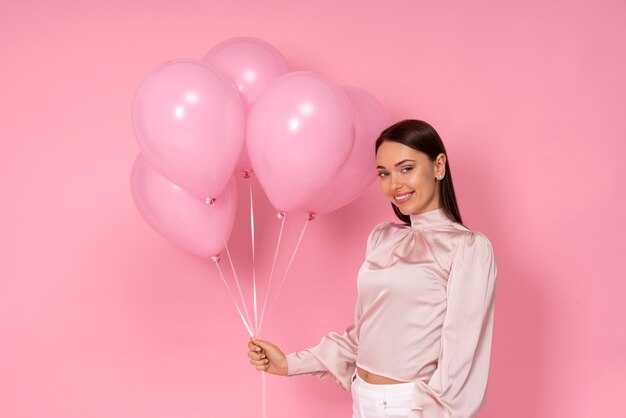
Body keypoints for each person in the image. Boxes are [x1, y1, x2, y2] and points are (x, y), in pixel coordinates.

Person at [247, 120, 497, 418]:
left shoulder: (467, 248)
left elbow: (461, 353)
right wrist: (290, 364)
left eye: (406, 169)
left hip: (413, 407)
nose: (394, 184)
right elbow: (362, 334)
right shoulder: (382, 237)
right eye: (384, 173)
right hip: (363, 398)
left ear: (438, 166)